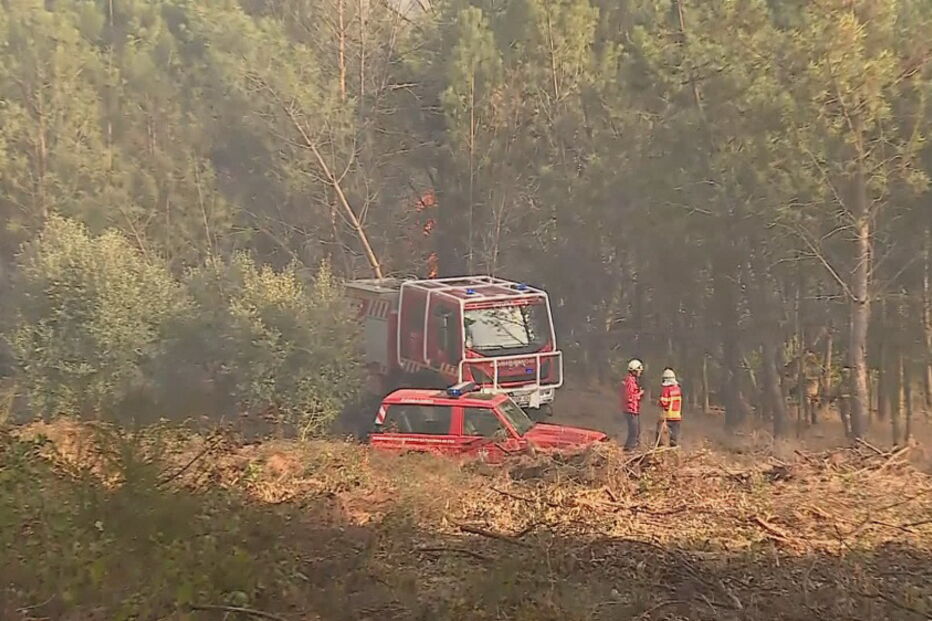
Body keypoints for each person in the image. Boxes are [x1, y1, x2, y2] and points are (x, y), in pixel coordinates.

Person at [656, 367, 683, 447]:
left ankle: (660, 450)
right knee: (674, 437)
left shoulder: (666, 389)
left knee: (661, 435)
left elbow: (665, 403)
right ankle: (673, 451)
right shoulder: (677, 388)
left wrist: (659, 402)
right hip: (677, 417)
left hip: (667, 417)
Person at [622, 359, 645, 450]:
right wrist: (640, 394)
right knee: (634, 432)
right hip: (630, 410)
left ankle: (633, 449)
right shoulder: (630, 382)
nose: (640, 373)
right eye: (639, 371)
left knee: (636, 431)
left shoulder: (632, 381)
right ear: (634, 370)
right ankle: (628, 451)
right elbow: (629, 397)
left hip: (633, 409)